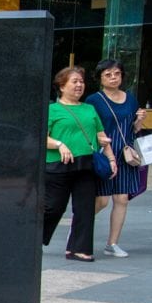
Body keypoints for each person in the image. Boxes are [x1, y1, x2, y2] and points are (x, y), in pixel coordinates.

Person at [44, 66, 116, 263]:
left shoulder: (89, 109)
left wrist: (111, 159)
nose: (79, 85)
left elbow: (101, 137)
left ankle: (79, 249)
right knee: (53, 208)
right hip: (58, 165)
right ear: (61, 86)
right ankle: (33, 237)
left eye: (81, 82)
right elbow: (42, 138)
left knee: (85, 209)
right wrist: (59, 144)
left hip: (85, 165)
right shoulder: (52, 109)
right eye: (74, 81)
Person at [87, 59, 147, 258]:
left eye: (117, 74)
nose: (113, 78)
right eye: (108, 75)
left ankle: (112, 243)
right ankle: (80, 228)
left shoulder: (130, 99)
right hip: (104, 154)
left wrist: (139, 120)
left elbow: (133, 129)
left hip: (126, 154)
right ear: (100, 78)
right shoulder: (94, 100)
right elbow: (90, 128)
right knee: (101, 201)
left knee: (122, 199)